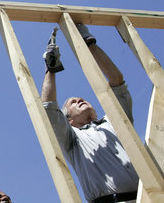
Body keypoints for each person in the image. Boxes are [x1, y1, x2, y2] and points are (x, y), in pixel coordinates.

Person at [41, 24, 139, 203]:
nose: (79, 99)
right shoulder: (72, 139)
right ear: (68, 120)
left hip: (149, 196)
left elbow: (116, 81)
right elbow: (48, 107)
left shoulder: (114, 122)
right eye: (73, 102)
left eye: (81, 99)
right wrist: (51, 68)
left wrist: (88, 43)